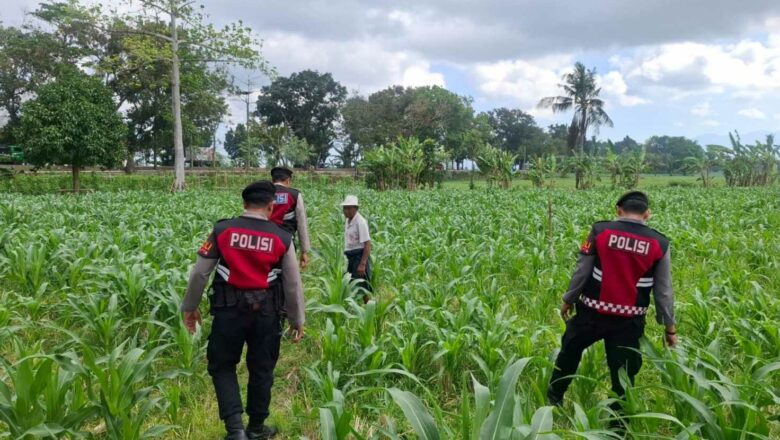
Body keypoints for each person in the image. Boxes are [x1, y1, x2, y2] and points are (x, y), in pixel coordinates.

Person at [181, 181, 305, 440]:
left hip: (228, 312)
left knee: (223, 365)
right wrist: (297, 319)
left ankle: (235, 429)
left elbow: (200, 274)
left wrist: (189, 308)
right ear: (271, 206)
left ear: (244, 204)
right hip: (267, 315)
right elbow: (293, 284)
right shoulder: (282, 237)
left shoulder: (222, 230)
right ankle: (257, 428)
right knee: (262, 368)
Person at [547, 191, 677, 416]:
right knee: (624, 373)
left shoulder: (601, 231)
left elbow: (582, 271)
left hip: (591, 314)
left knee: (569, 350)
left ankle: (553, 400)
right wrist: (669, 327)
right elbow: (664, 290)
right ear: (647, 214)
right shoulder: (660, 243)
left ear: (618, 209)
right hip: (629, 321)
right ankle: (618, 425)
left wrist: (568, 299)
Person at [269, 167, 311, 269]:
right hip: (286, 242)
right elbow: (302, 223)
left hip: (265, 241)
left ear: (272, 180)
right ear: (288, 180)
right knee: (288, 273)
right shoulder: (294, 194)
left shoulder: (265, 193)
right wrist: (304, 251)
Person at [341, 195, 372, 301]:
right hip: (350, 256)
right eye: (344, 208)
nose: (345, 210)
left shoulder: (360, 222)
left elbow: (367, 244)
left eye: (349, 208)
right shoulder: (348, 220)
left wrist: (362, 264)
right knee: (350, 284)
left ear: (356, 208)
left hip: (359, 257)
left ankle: (369, 308)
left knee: (362, 286)